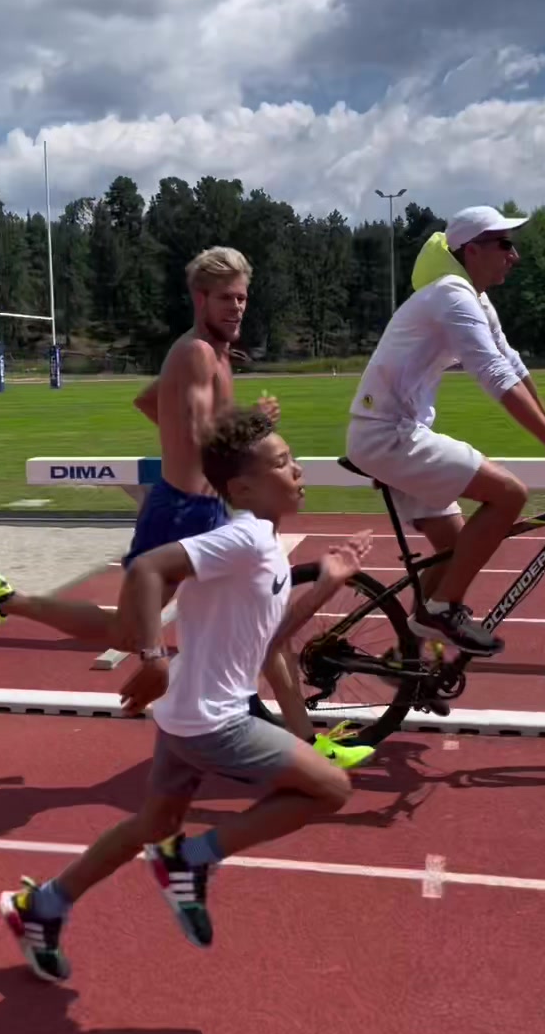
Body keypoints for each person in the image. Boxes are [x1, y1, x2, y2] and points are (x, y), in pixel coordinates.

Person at [0, 408, 372, 982]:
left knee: (153, 824)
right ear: (242, 489)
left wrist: (326, 585)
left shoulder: (264, 546)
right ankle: (192, 860)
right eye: (282, 463)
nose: (297, 471)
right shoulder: (243, 538)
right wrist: (153, 659)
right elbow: (148, 569)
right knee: (331, 788)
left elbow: (268, 641)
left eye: (293, 460)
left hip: (186, 715)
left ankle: (43, 907)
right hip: (213, 722)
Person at [121, 244, 373, 769]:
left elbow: (153, 402)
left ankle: (293, 737)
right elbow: (200, 437)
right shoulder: (196, 353)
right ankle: (12, 603)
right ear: (200, 298)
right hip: (190, 507)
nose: (237, 307)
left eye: (242, 298)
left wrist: (232, 428)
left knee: (258, 625)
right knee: (128, 629)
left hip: (213, 503)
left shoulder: (212, 354)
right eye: (227, 298)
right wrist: (245, 430)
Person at [346, 205, 545, 655]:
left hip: (396, 432)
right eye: (505, 244)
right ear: (473, 250)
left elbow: (513, 365)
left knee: (454, 545)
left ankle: (409, 660)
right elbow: (494, 377)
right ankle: (441, 611)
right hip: (388, 434)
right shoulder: (453, 296)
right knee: (510, 494)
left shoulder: (475, 299)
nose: (514, 255)